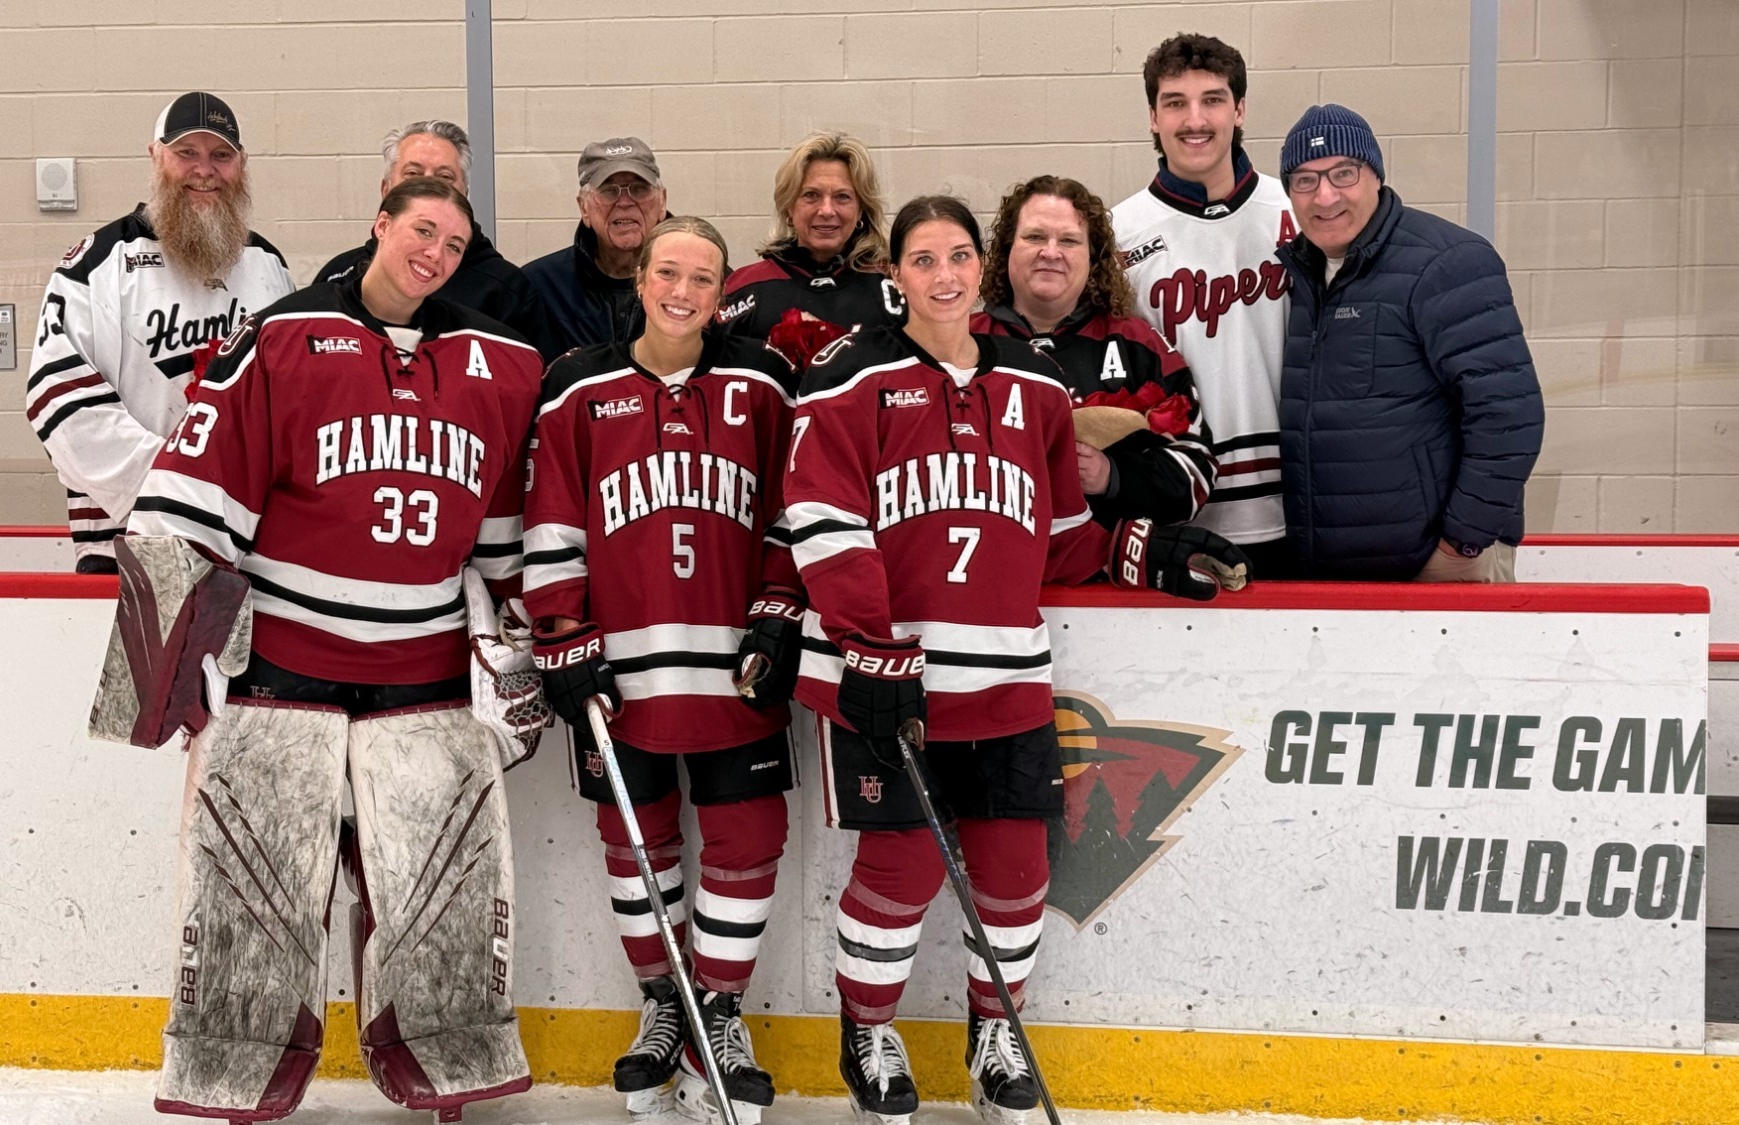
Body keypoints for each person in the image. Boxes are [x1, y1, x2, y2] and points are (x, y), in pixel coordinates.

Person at [782, 196, 1249, 1124]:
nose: (945, 275)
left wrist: (1150, 551)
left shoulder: (1035, 391)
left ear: (978, 266)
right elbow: (824, 525)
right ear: (897, 277)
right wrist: (872, 651)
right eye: (923, 259)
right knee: (901, 871)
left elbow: (1059, 535)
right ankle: (866, 1029)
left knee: (1017, 870)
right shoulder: (848, 380)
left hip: (1005, 678)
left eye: (959, 255)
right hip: (892, 682)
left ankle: (995, 1028)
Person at [120, 176, 544, 1122]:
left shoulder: (499, 365)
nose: (433, 253)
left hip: (426, 683)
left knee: (443, 893)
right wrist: (158, 678)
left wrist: (532, 648)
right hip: (282, 680)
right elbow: (188, 498)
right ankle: (233, 1062)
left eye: (453, 242)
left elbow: (507, 539)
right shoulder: (281, 339)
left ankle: (446, 1054)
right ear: (380, 224)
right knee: (255, 891)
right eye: (420, 230)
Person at [523, 216, 803, 1124]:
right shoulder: (576, 386)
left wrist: (778, 606)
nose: (684, 290)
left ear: (724, 293)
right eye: (668, 272)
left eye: (704, 277)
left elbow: (795, 507)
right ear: (639, 278)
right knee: (635, 837)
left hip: (734, 664)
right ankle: (663, 1005)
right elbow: (554, 514)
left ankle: (717, 1011)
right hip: (624, 666)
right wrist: (561, 632)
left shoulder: (764, 381)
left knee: (746, 835)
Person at [26, 91, 293, 573]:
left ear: (242, 165)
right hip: (127, 546)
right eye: (186, 152)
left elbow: (293, 408)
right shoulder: (96, 264)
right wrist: (183, 494)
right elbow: (60, 405)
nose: (204, 169)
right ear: (155, 155)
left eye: (221, 155)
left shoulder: (268, 266)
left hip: (252, 551)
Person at [1275, 105, 1544, 581]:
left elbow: (1509, 415)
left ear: (1375, 177)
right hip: (1337, 577)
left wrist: (1461, 544)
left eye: (1343, 173)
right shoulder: (1302, 276)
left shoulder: (1447, 262)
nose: (1325, 195)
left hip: (1439, 566)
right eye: (1304, 180)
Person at [1111, 35, 1298, 573]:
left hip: (1301, 508)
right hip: (1179, 518)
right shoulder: (1116, 236)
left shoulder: (1295, 213)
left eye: (1213, 99)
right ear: (1153, 117)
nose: (1196, 119)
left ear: (1239, 109)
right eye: (1175, 103)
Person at [974, 175, 1217, 529]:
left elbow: (1197, 473)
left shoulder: (1140, 347)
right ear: (1008, 246)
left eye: (1069, 240)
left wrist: (1111, 476)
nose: (1051, 252)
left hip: (1108, 577)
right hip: (991, 570)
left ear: (1094, 258)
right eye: (1035, 236)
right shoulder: (962, 344)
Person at [313, 119, 548, 348]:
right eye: (413, 174)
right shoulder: (337, 274)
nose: (428, 188)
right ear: (386, 189)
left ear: (464, 193)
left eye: (444, 177)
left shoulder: (506, 290)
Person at [717, 132, 904, 348]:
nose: (826, 210)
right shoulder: (745, 288)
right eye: (811, 195)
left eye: (842, 197)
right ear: (788, 206)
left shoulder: (894, 286)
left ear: (861, 209)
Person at [522, 137, 669, 364]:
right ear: (584, 207)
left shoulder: (701, 280)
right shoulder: (539, 287)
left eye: (639, 189)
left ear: (662, 202)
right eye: (609, 191)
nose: (625, 202)